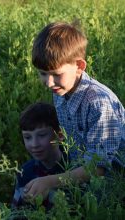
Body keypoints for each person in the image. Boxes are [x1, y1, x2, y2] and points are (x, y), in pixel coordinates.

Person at [22, 21, 125, 201]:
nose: (48, 82)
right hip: (82, 178)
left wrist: (49, 181)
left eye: (56, 74)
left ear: (79, 66)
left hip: (114, 187)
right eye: (43, 74)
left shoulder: (99, 103)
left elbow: (99, 168)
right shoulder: (61, 91)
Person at [11, 102, 68, 210]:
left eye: (42, 135)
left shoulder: (75, 168)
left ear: (60, 135)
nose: (34, 144)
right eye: (27, 137)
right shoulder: (25, 172)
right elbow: (16, 213)